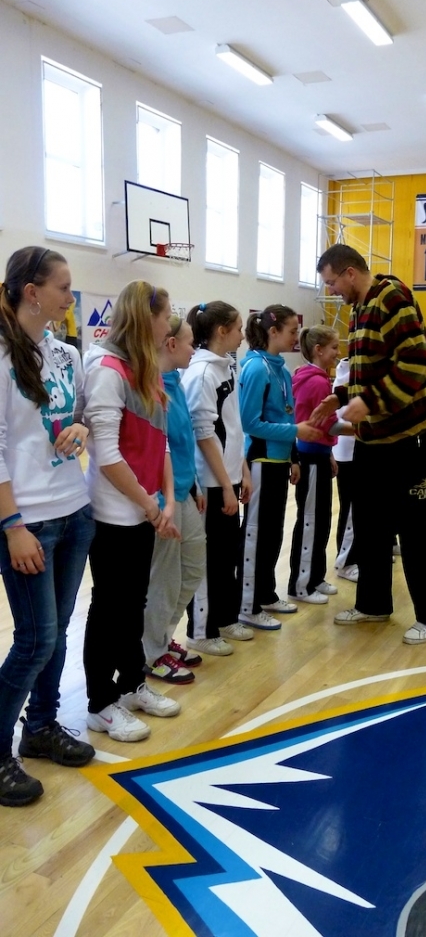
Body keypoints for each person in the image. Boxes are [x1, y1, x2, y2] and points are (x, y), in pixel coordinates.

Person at [313, 244, 426, 645]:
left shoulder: (393, 298)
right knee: (370, 525)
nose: (331, 291)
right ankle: (373, 604)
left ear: (350, 273)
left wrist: (368, 402)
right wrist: (340, 396)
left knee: (415, 528)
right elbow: (368, 372)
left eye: (332, 282)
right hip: (372, 438)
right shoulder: (359, 309)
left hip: (406, 437)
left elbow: (416, 366)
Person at [0, 246, 95, 807]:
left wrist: (82, 428)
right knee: (34, 640)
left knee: (54, 634)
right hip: (27, 521)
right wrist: (12, 525)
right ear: (32, 292)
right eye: (63, 287)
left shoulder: (66, 353)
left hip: (73, 510)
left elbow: (79, 415)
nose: (69, 297)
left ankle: (40, 727)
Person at [83, 280, 181, 742]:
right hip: (113, 514)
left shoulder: (147, 369)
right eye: (165, 315)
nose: (170, 324)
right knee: (109, 607)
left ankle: (130, 684)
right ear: (147, 318)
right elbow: (107, 456)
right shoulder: (107, 371)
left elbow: (160, 443)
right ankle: (100, 704)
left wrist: (167, 500)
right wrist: (149, 505)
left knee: (133, 605)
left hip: (145, 511)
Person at [237, 305, 320, 630]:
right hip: (260, 461)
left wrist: (293, 456)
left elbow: (286, 415)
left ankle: (266, 594)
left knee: (272, 534)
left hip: (279, 461)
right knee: (256, 534)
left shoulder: (282, 370)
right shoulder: (256, 368)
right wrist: (296, 432)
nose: (296, 337)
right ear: (273, 332)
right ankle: (247, 605)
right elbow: (250, 423)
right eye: (291, 331)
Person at [180, 301, 253, 653]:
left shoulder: (225, 368)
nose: (243, 335)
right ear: (222, 331)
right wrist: (225, 484)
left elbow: (233, 428)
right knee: (208, 561)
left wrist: (243, 471)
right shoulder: (201, 374)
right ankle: (202, 631)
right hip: (210, 483)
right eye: (238, 329)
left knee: (226, 557)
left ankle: (225, 617)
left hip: (228, 477)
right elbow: (204, 434)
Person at [142, 315, 206, 683]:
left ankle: (163, 637)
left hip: (184, 491)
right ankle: (152, 653)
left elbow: (184, 442)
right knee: (164, 580)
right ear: (170, 344)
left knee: (193, 569)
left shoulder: (176, 383)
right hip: (163, 498)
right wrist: (159, 500)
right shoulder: (151, 386)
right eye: (190, 342)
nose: (193, 349)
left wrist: (195, 484)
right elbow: (154, 449)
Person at [288, 325, 341, 605]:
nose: (338, 353)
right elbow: (328, 424)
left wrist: (329, 452)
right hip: (309, 458)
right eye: (334, 348)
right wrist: (364, 429)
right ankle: (301, 584)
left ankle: (315, 577)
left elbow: (321, 426)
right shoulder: (318, 382)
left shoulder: (315, 377)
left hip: (317, 454)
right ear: (318, 350)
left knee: (320, 521)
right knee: (310, 521)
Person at [332, 356, 359, 583]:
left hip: (357, 451)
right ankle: (345, 561)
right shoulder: (346, 374)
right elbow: (338, 420)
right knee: (350, 509)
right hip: (348, 454)